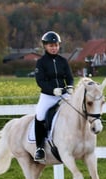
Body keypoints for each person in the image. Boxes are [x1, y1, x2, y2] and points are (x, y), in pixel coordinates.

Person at [33, 31, 74, 162]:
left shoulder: (63, 61)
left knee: (78, 110)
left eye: (56, 45)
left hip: (64, 94)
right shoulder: (41, 62)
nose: (54, 48)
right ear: (45, 46)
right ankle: (40, 148)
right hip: (48, 96)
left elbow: (69, 77)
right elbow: (40, 81)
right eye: (51, 45)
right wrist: (52, 90)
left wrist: (70, 86)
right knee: (39, 115)